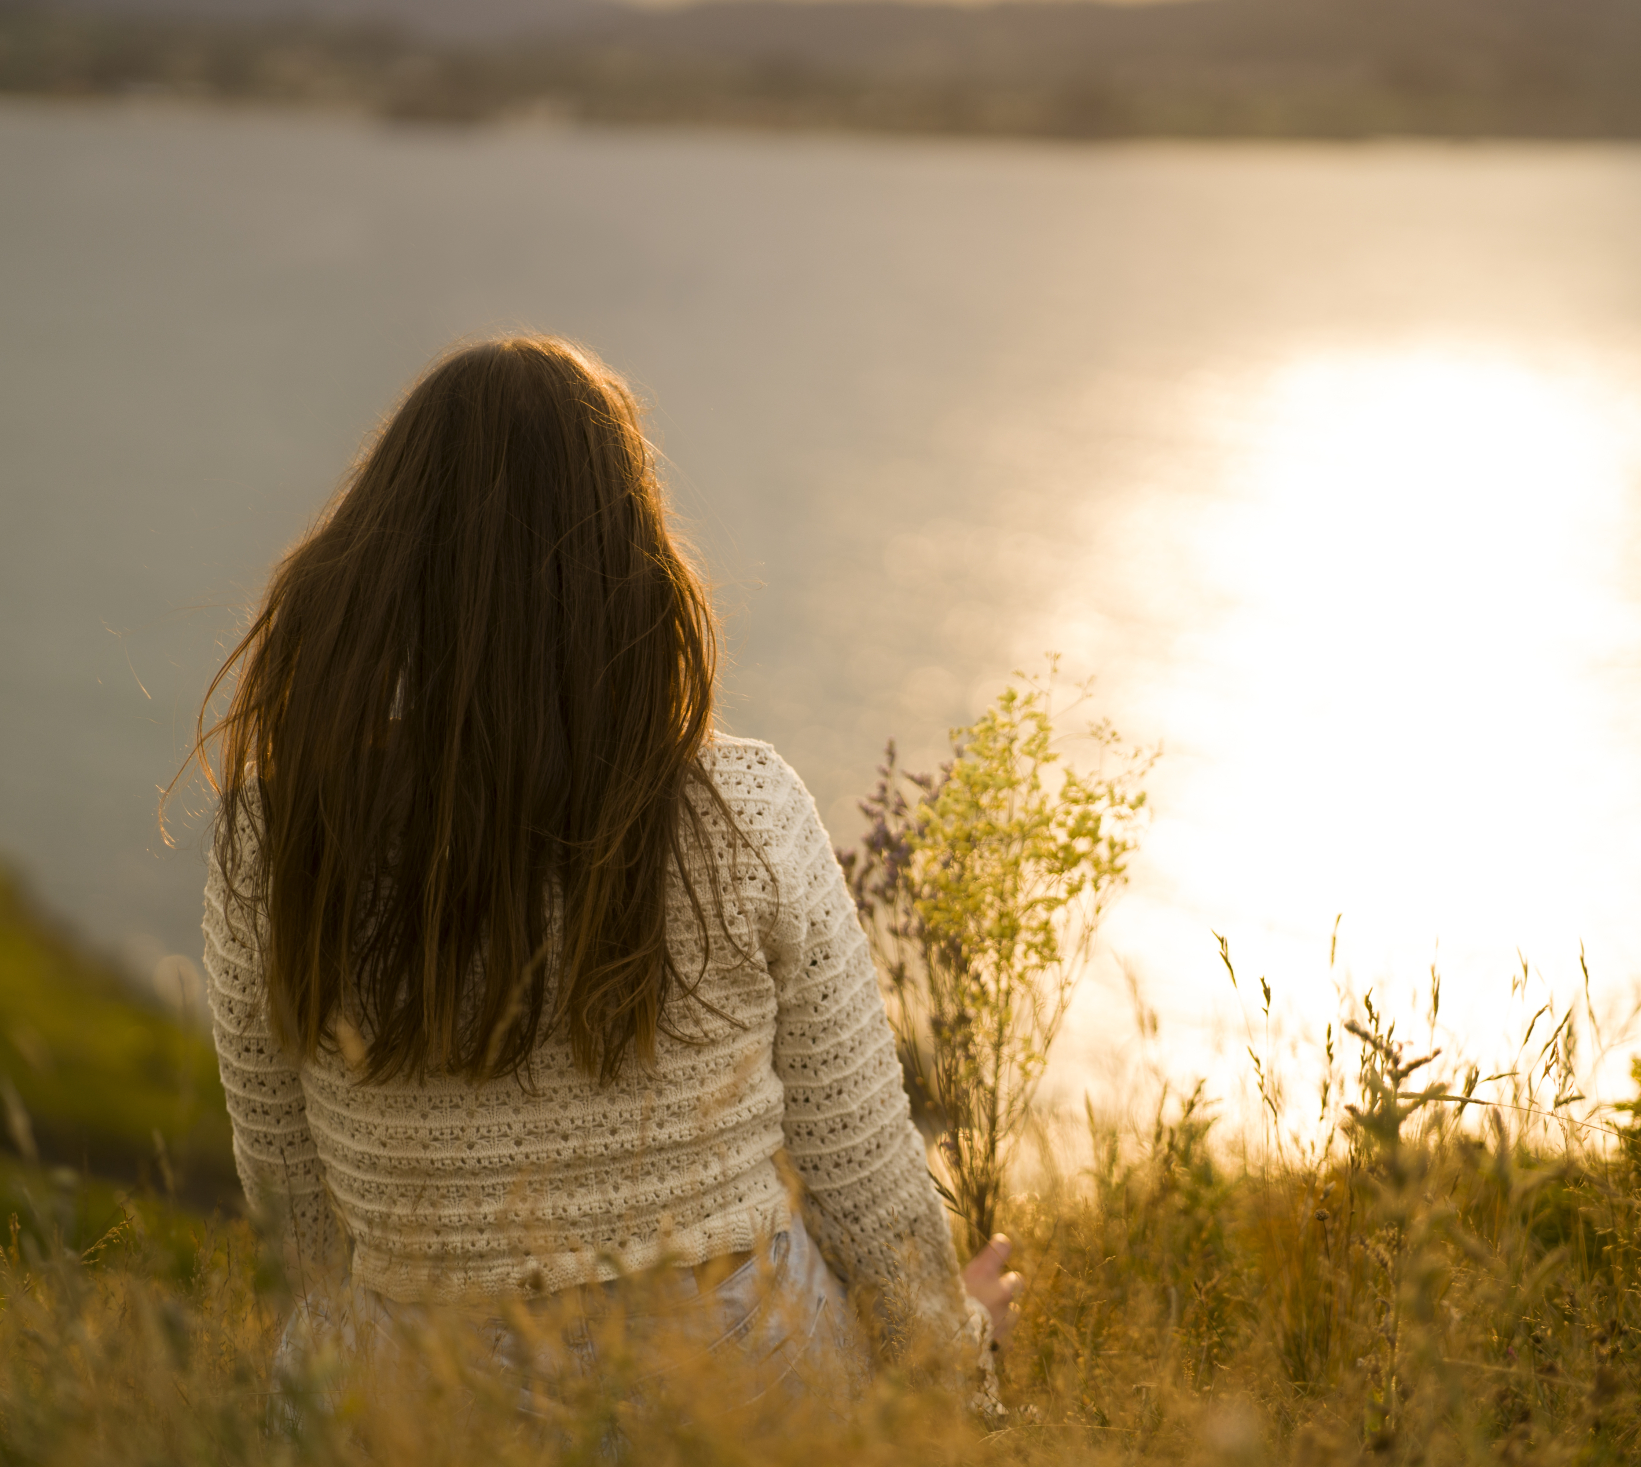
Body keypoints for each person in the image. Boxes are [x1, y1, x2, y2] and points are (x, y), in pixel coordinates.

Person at [191, 335, 1021, 1421]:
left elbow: (293, 1218)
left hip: (426, 1403)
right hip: (737, 1390)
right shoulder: (744, 810)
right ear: (628, 562)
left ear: (383, 562)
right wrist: (951, 1361)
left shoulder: (275, 838)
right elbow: (862, 1170)